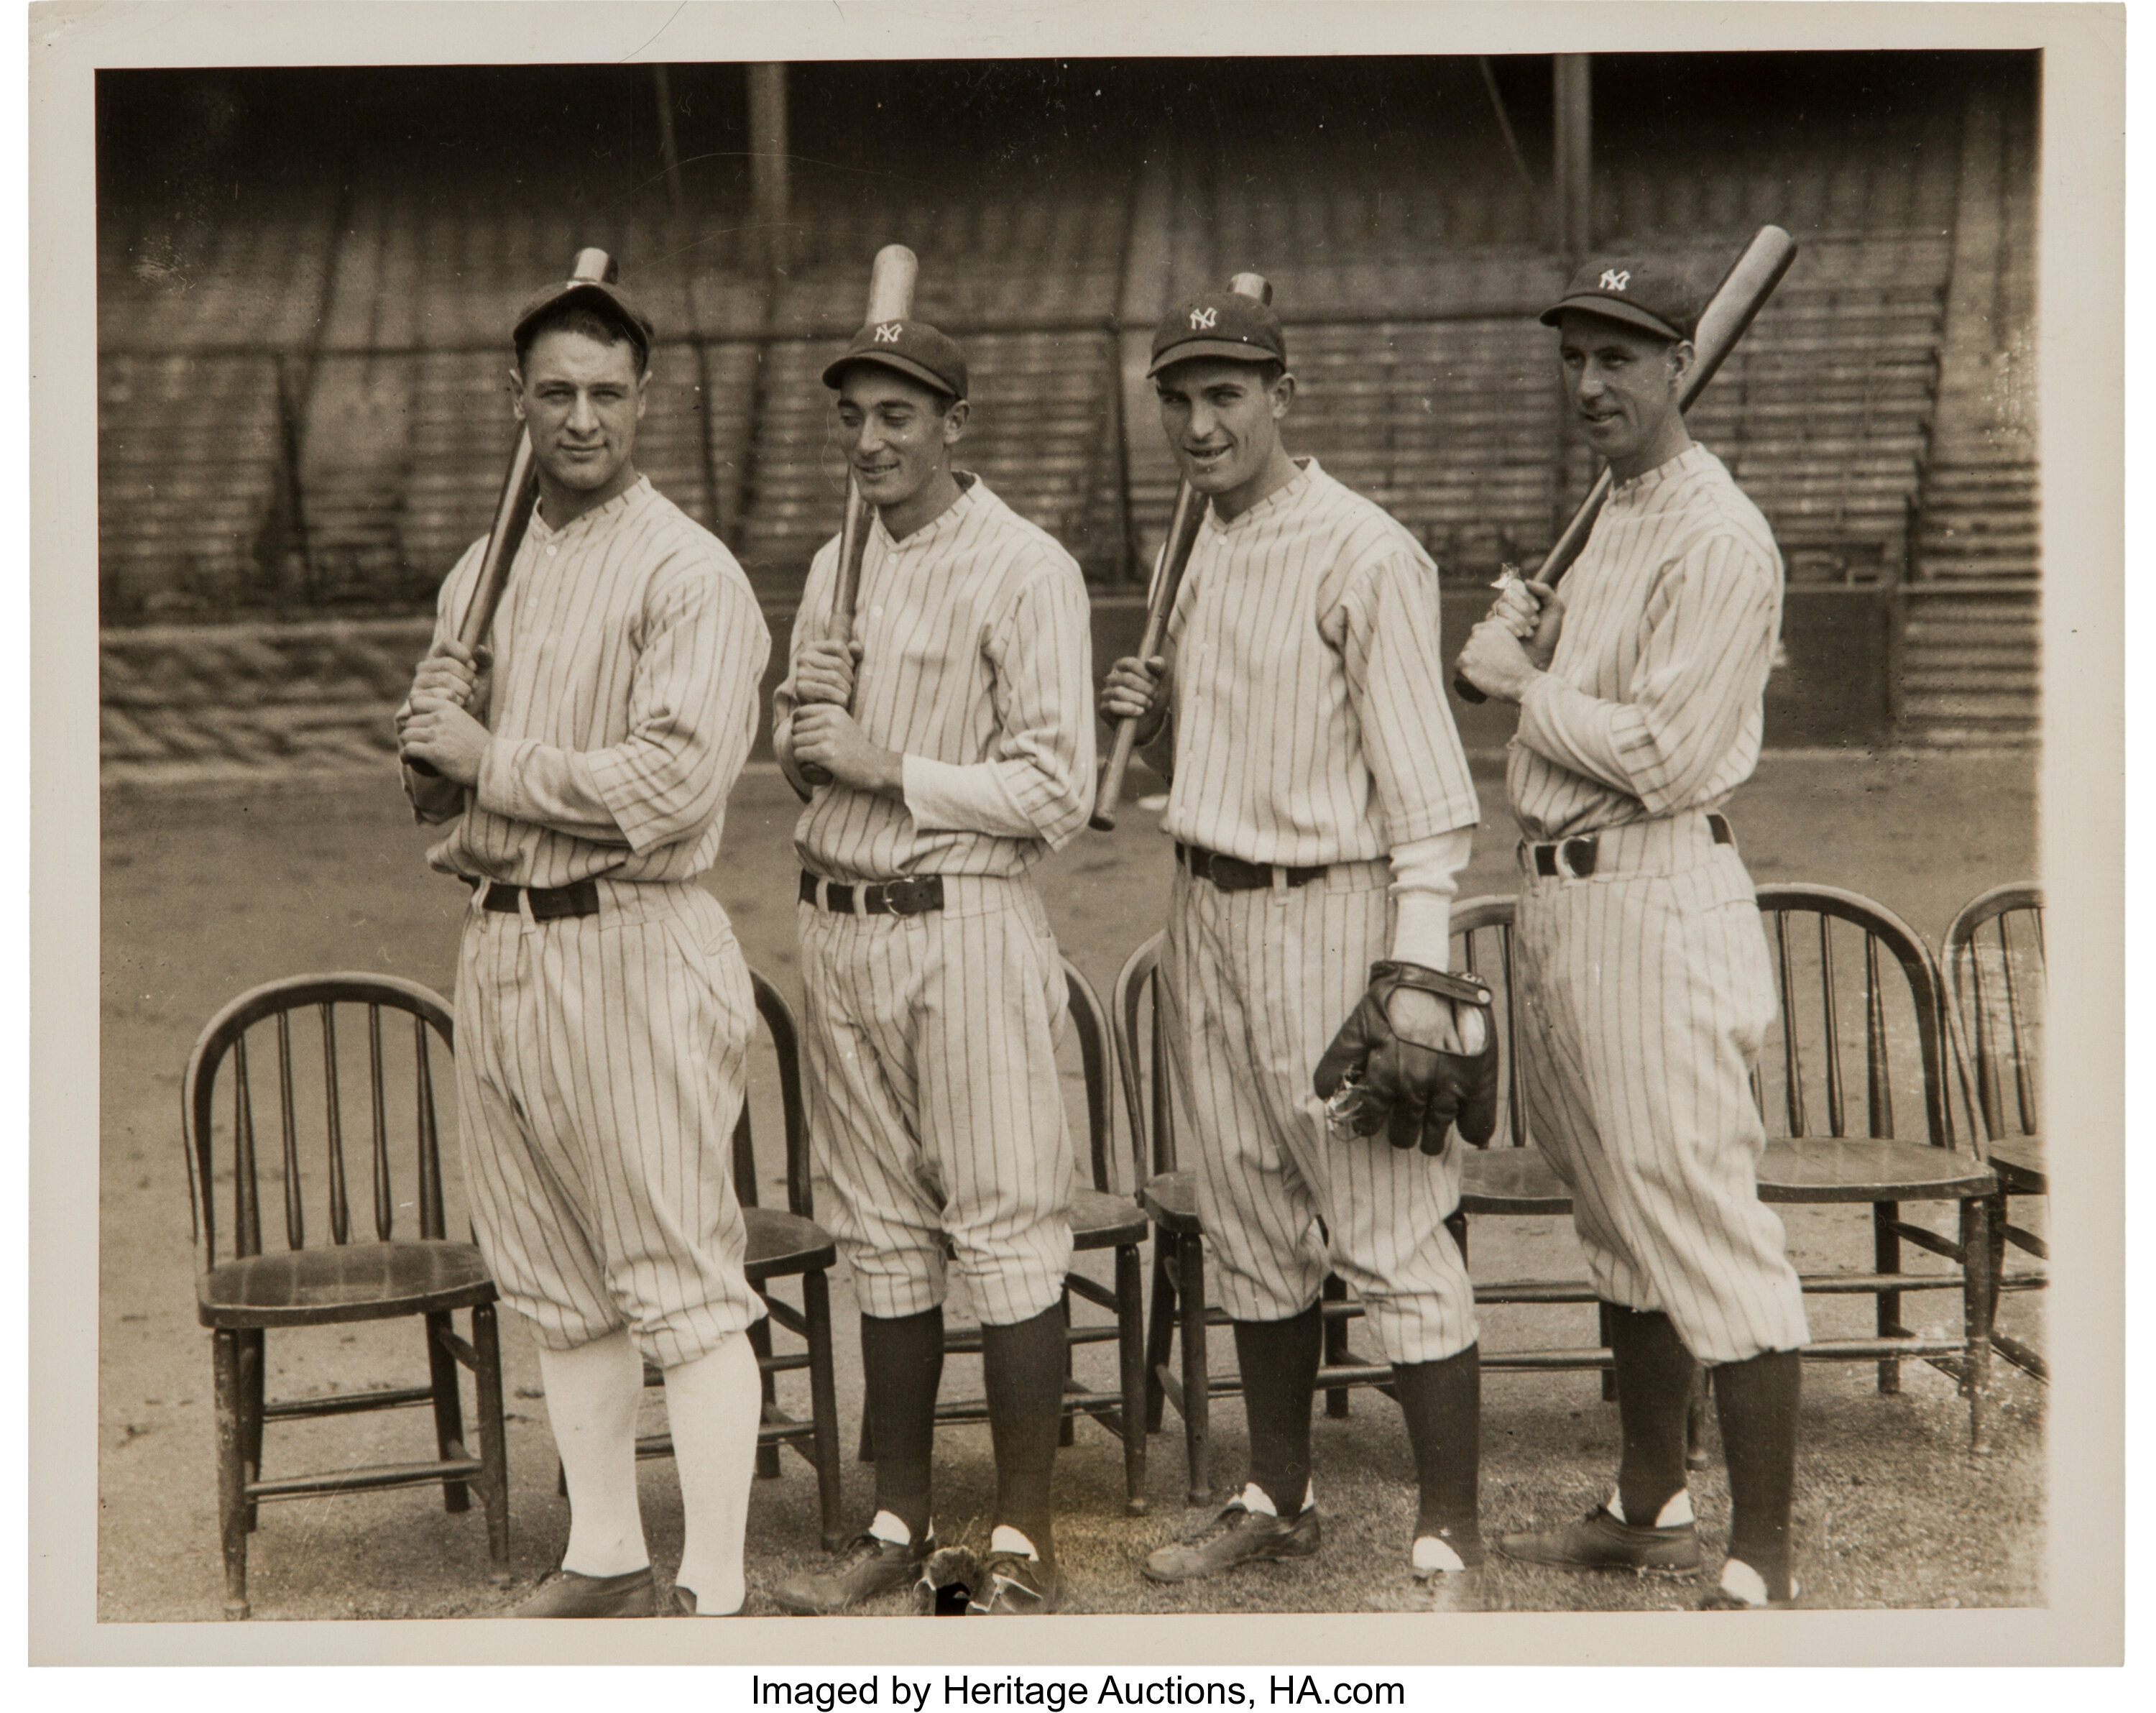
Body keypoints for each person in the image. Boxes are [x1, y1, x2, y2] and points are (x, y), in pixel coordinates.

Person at [1099, 283, 1493, 1600]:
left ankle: (1449, 1530)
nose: (1201, 423)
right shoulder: (1196, 541)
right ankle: (1278, 1493)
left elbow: (1431, 803)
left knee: (1385, 1221)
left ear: (1283, 394)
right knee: (1251, 1219)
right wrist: (1152, 725)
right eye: (1181, 399)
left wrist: (1416, 983)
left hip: (1330, 909)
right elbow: (1248, 741)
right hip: (1204, 905)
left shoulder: (1366, 549)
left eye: (1227, 395)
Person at [397, 269, 769, 1619]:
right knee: (556, 1279)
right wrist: (435, 748)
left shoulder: (691, 574)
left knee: (678, 1274)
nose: (580, 416)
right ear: (518, 403)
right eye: (554, 392)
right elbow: (440, 788)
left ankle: (714, 1590)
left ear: (645, 403)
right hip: (501, 944)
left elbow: (670, 788)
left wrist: (492, 756)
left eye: (607, 393)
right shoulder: (478, 574)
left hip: (634, 944)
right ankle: (607, 1550)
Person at [1455, 257, 1809, 1612]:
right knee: (1616, 1207)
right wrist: (1539, 636)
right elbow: (1593, 698)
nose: (1592, 384)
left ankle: (1762, 1552)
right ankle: (1652, 1492)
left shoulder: (1721, 533)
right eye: (1576, 359)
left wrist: (1523, 682)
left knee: (1701, 1212)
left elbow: (1667, 752)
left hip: (1659, 893)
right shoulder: (1612, 513)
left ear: (1680, 366)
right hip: (1567, 901)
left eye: (1622, 358)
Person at [769, 318, 1095, 1616]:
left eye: (898, 415)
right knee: (882, 1236)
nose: (871, 441)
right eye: (852, 416)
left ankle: (1021, 1535)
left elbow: (1057, 787)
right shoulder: (828, 565)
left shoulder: (1027, 567)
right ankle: (897, 1516)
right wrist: (808, 733)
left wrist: (880, 758)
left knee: (1006, 1226)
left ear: (955, 423)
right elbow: (807, 756)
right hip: (838, 923)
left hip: (962, 918)